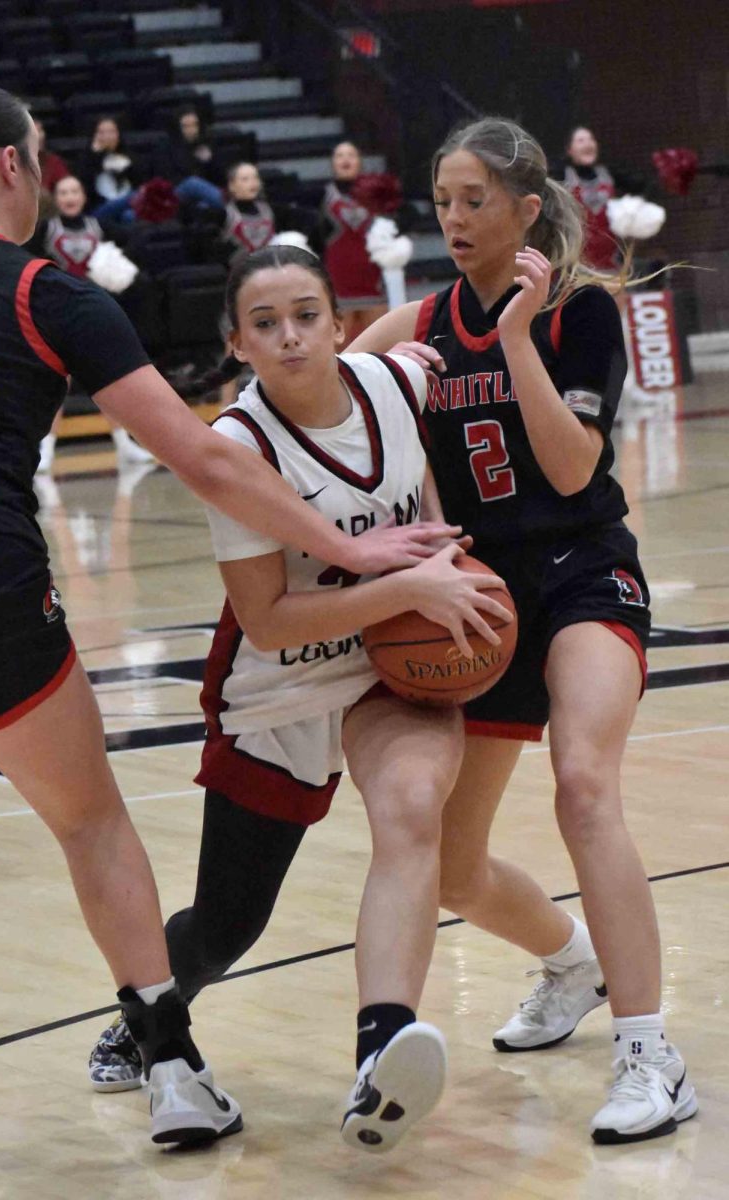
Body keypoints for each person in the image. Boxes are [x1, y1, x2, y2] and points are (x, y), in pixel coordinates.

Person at [0, 82, 436, 1148]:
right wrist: (350, 547)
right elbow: (200, 457)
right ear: (8, 167)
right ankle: (173, 1074)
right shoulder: (48, 291)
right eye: (36, 155)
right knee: (88, 822)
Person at [87, 244, 513, 1153]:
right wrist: (407, 593)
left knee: (410, 810)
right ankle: (150, 1010)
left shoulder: (395, 388)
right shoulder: (236, 450)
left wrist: (440, 571)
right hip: (276, 687)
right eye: (267, 324)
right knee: (225, 927)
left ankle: (379, 1050)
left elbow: (428, 488)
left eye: (308, 315)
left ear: (340, 321)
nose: (291, 338)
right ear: (236, 342)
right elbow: (270, 620)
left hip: (387, 673)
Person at [348, 116, 696, 1145]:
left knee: (583, 783)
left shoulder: (580, 313)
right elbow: (313, 399)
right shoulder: (412, 321)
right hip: (478, 603)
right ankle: (570, 960)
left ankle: (647, 1051)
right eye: (441, 200)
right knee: (454, 868)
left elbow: (569, 470)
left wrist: (510, 339)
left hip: (582, 572)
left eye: (471, 201)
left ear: (524, 209)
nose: (450, 219)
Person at [36, 175, 152, 471]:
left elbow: (138, 234)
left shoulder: (97, 227)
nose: (70, 197)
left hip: (92, 311)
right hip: (58, 311)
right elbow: (27, 259)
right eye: (63, 192)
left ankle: (124, 443)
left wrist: (114, 261)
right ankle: (46, 447)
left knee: (106, 379)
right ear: (56, 198)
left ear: (84, 196)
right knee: (57, 383)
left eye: (75, 190)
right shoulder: (47, 229)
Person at [319, 141, 388, 342]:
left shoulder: (377, 193)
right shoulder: (323, 196)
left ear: (360, 162)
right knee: (340, 351)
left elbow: (403, 217)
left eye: (351, 155)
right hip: (339, 284)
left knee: (381, 347)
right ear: (332, 163)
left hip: (372, 283)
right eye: (340, 155)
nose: (346, 159)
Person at [561, 126, 618, 272]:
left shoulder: (610, 174)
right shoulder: (561, 177)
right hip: (577, 264)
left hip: (610, 262)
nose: (587, 144)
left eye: (591, 139)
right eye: (581, 140)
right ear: (569, 150)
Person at [73, 116, 138, 223]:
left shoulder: (130, 156)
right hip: (99, 209)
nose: (107, 137)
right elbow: (85, 187)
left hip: (127, 206)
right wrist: (96, 155)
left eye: (112, 132)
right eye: (102, 133)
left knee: (129, 216)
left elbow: (138, 180)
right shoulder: (87, 159)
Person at [221, 162, 276, 260]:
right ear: (231, 185)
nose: (253, 183)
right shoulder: (225, 213)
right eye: (245, 179)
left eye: (256, 178)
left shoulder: (268, 209)